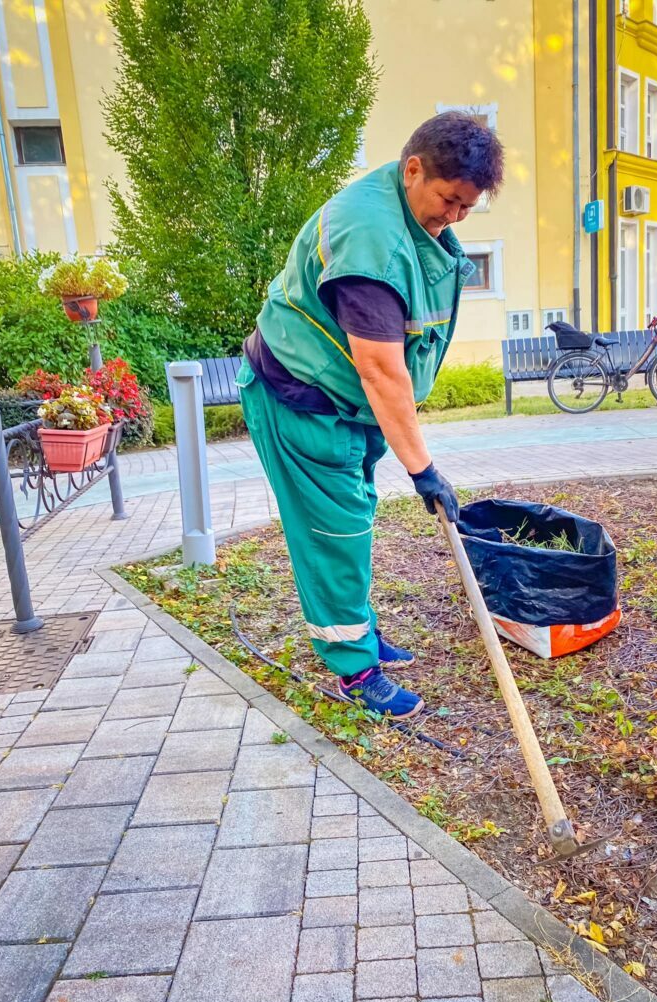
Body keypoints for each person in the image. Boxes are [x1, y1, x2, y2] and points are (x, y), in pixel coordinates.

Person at [237, 112, 504, 719]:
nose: (455, 217)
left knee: (353, 517)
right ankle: (354, 669)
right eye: (448, 200)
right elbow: (381, 371)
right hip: (300, 399)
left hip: (345, 408)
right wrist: (423, 469)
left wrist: (411, 456)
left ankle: (357, 629)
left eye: (467, 207)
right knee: (333, 533)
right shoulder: (370, 242)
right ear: (413, 169)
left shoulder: (408, 210)